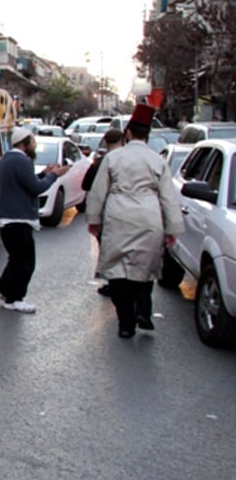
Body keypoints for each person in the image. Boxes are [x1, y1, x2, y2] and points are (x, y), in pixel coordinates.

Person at [85, 105, 184, 338]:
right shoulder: (157, 161)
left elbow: (99, 192)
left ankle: (126, 323)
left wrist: (94, 219)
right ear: (147, 135)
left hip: (118, 215)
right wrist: (172, 229)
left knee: (119, 271)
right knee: (145, 267)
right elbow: (168, 198)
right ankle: (144, 310)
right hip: (149, 216)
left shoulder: (113, 158)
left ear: (128, 133)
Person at [0, 127, 69, 314]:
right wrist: (53, 176)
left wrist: (44, 174)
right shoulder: (21, 161)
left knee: (17, 258)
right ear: (25, 144)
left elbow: (25, 182)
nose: (35, 146)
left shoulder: (8, 160)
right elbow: (36, 188)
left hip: (8, 218)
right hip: (18, 219)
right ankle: (16, 297)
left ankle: (3, 290)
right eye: (33, 142)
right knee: (26, 261)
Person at [83, 128, 124, 298]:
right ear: (122, 141)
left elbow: (86, 185)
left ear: (106, 142)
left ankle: (111, 282)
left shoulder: (100, 162)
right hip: (126, 212)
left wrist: (93, 217)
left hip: (106, 213)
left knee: (107, 248)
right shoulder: (128, 160)